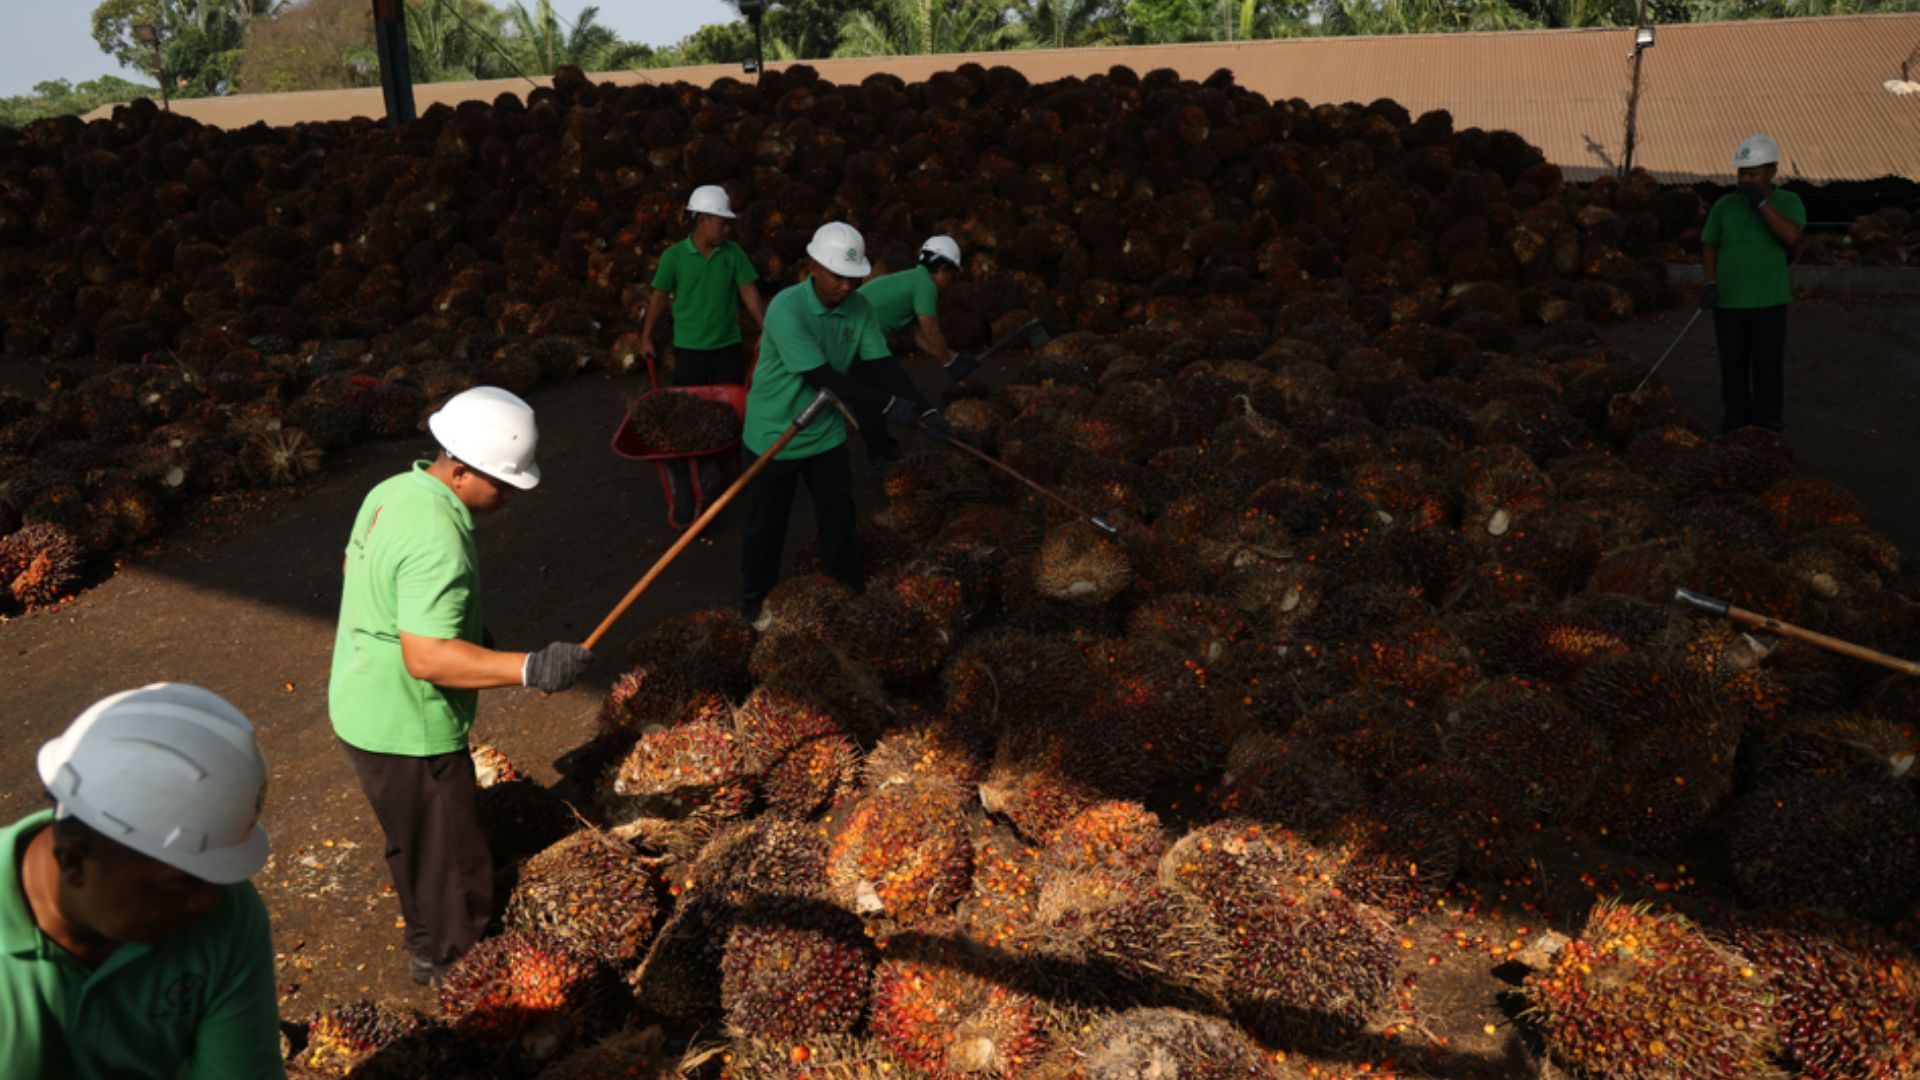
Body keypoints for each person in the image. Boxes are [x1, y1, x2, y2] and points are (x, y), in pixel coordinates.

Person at [329, 386, 591, 986]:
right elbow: (427, 659)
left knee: (412, 839)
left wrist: (465, 628)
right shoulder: (439, 537)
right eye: (503, 483)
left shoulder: (392, 491)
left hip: (358, 703)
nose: (509, 496)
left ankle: (424, 945)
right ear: (461, 468)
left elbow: (356, 569)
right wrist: (529, 667)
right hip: (407, 723)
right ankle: (459, 971)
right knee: (454, 857)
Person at [3, 683, 283, 1079]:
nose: (209, 902)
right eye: (175, 884)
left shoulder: (229, 915)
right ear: (73, 863)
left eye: (212, 875)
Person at [739, 221, 949, 619]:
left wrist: (924, 408)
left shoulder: (859, 307)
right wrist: (888, 406)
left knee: (839, 518)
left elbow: (882, 365)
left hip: (824, 430)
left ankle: (845, 593)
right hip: (774, 433)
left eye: (855, 278)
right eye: (839, 276)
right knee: (766, 526)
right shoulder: (787, 309)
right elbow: (826, 379)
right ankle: (754, 602)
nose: (848, 286)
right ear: (813, 266)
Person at [638, 185, 767, 523]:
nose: (726, 229)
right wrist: (646, 336)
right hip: (690, 350)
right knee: (683, 421)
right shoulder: (674, 257)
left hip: (727, 348)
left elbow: (748, 291)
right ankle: (688, 480)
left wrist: (767, 328)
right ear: (703, 220)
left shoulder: (732, 254)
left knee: (731, 416)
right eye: (721, 222)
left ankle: (732, 471)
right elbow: (659, 297)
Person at [1700, 133, 1804, 433]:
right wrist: (1709, 282)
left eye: (1752, 173)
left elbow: (1791, 236)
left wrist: (1760, 203)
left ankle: (1767, 422)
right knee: (1732, 366)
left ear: (1772, 171)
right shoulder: (1724, 205)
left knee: (1767, 366)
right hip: (1728, 301)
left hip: (1768, 301)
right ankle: (1735, 421)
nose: (1744, 179)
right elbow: (1709, 243)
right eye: (1741, 172)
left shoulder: (1788, 201)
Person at [850, 235, 979, 466]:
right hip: (855, 339)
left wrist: (953, 358)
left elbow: (919, 336)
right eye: (952, 274)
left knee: (872, 394)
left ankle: (882, 449)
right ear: (941, 269)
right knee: (882, 387)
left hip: (853, 333)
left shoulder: (910, 279)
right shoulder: (926, 286)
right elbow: (931, 332)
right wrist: (950, 364)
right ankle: (881, 454)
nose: (951, 280)